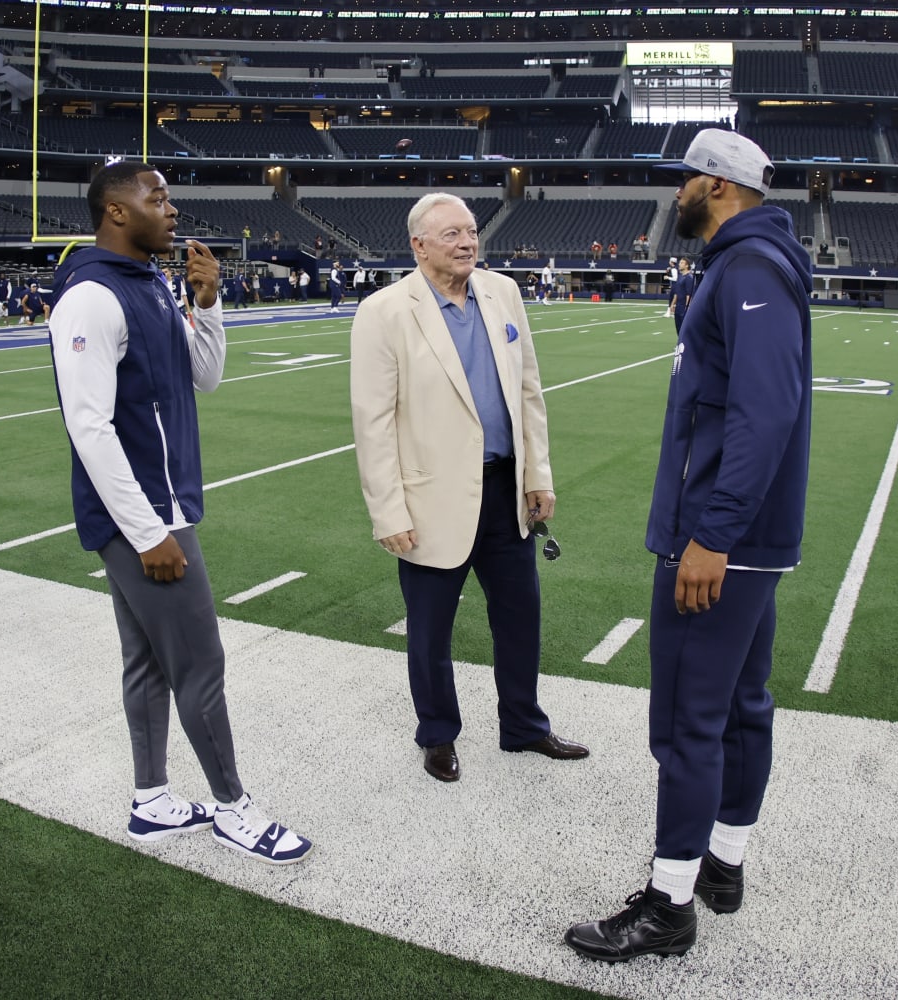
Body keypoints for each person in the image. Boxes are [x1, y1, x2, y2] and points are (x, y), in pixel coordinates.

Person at [565, 128, 813, 963]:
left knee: (687, 724)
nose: (676, 193)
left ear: (716, 185)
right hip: (745, 539)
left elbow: (763, 413)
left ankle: (668, 908)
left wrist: (712, 533)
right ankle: (723, 865)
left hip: (720, 539)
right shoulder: (739, 266)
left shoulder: (746, 270)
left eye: (686, 180)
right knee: (741, 708)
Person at [47, 160, 311, 865]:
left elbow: (207, 376)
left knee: (148, 663)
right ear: (115, 213)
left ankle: (152, 800)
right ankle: (234, 808)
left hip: (157, 509)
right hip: (145, 517)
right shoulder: (93, 296)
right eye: (155, 197)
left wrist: (209, 300)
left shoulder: (151, 283)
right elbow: (89, 426)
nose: (171, 209)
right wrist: (148, 532)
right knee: (200, 662)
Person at [349, 192, 588, 784]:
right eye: (451, 233)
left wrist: (539, 476)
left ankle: (524, 725)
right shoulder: (384, 311)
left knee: (520, 615)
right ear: (418, 245)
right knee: (430, 629)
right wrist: (388, 512)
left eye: (472, 231)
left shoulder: (502, 292)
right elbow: (372, 423)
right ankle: (437, 733)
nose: (467, 242)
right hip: (430, 501)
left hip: (506, 490)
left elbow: (528, 392)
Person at [669, 257, 695, 333]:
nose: (679, 264)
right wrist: (673, 304)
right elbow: (677, 292)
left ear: (687, 266)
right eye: (680, 262)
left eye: (682, 263)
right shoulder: (680, 277)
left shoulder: (689, 277)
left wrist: (688, 307)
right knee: (678, 328)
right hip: (678, 307)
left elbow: (689, 294)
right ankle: (679, 343)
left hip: (684, 307)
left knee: (684, 329)